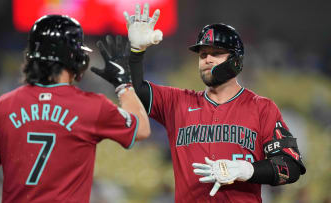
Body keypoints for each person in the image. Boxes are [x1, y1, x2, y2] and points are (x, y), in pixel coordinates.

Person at [123, 3, 306, 203]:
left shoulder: (262, 108)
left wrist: (249, 170)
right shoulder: (178, 102)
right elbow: (136, 90)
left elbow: (291, 166)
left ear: (236, 61)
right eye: (202, 55)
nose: (207, 60)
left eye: (216, 53)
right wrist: (136, 53)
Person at [0, 14, 150, 203]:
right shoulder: (92, 106)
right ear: (75, 57)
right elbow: (142, 129)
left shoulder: (3, 105)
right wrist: (123, 84)